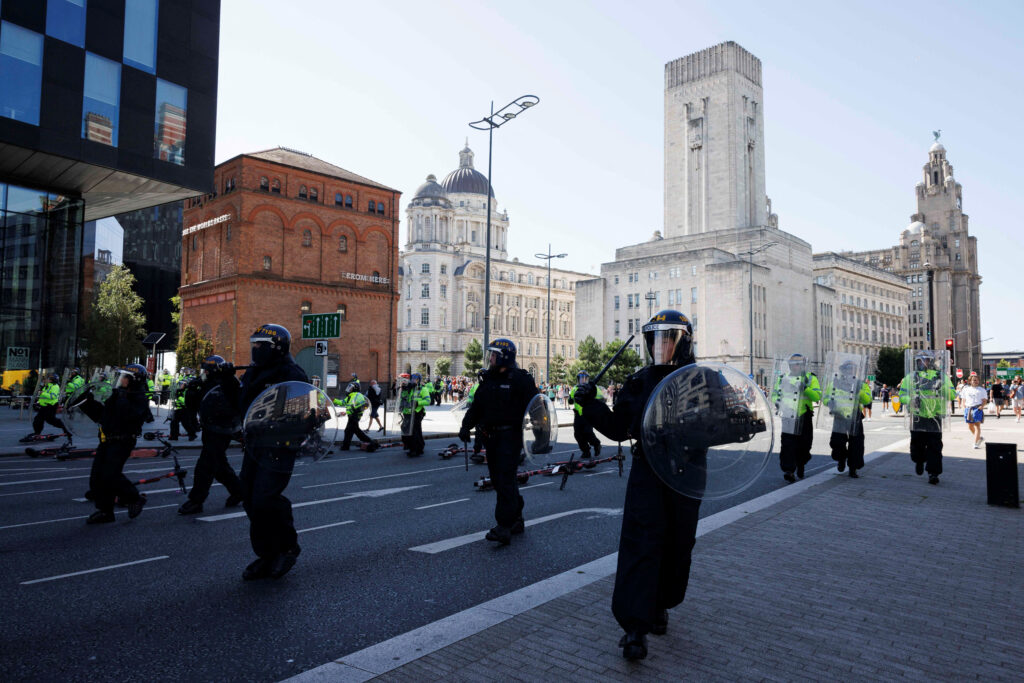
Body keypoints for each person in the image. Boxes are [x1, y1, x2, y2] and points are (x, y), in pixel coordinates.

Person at [574, 310, 701, 661]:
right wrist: (591, 404)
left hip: (685, 473)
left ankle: (662, 603)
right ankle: (634, 627)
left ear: (684, 341)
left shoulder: (702, 379)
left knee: (678, 543)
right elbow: (618, 429)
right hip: (648, 471)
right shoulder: (639, 381)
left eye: (668, 338)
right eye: (655, 338)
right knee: (641, 543)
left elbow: (720, 424)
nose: (660, 345)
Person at [237, 324, 309, 581]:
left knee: (265, 498)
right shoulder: (254, 372)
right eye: (253, 344)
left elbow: (307, 413)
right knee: (248, 496)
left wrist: (277, 425)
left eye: (260, 345)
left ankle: (287, 547)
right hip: (255, 445)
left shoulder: (291, 374)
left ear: (275, 348)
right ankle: (266, 554)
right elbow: (242, 404)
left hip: (279, 446)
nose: (255, 349)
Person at [459, 339, 539, 546]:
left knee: (504, 479)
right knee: (502, 481)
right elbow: (477, 407)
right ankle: (517, 518)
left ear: (504, 356)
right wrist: (466, 426)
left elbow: (538, 408)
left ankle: (503, 526)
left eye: (493, 355)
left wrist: (541, 437)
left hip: (510, 437)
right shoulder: (489, 380)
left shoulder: (521, 380)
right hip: (490, 437)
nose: (490, 358)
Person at [83, 365, 155, 524]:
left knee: (110, 474)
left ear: (133, 380)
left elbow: (129, 416)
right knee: (97, 476)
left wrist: (122, 398)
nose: (121, 379)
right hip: (107, 439)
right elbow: (103, 416)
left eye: (125, 377)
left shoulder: (139, 397)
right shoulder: (118, 394)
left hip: (123, 440)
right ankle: (105, 511)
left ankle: (134, 498)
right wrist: (86, 403)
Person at [178, 355, 245, 515]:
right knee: (220, 467)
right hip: (210, 429)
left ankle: (196, 501)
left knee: (205, 466)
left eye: (206, 371)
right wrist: (192, 391)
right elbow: (193, 406)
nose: (203, 374)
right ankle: (239, 491)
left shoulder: (227, 384)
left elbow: (234, 399)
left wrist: (229, 377)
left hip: (222, 430)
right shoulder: (206, 384)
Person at [899, 352, 956, 485]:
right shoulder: (911, 377)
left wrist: (943, 387)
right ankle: (919, 461)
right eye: (920, 360)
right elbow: (902, 395)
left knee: (935, 447)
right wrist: (911, 400)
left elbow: (952, 395)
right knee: (917, 446)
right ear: (917, 362)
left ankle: (933, 473)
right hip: (918, 416)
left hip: (935, 417)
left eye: (926, 360)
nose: (923, 363)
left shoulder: (940, 376)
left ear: (931, 361)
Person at [771, 353, 821, 483]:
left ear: (803, 365)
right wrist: (777, 402)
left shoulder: (810, 378)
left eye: (798, 364)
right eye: (793, 365)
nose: (796, 367)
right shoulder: (782, 378)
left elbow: (817, 397)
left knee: (805, 444)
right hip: (788, 415)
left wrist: (806, 389)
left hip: (804, 414)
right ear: (789, 366)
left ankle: (801, 464)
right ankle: (789, 470)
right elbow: (775, 394)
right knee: (787, 444)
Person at [823, 360, 872, 478]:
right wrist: (830, 402)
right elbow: (825, 398)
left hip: (855, 416)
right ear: (843, 370)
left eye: (852, 369)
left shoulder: (860, 384)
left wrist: (858, 392)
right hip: (839, 415)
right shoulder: (835, 382)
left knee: (856, 443)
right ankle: (841, 458)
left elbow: (867, 400)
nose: (850, 371)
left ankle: (853, 468)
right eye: (848, 368)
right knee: (837, 442)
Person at [568, 371, 603, 459]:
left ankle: (596, 444)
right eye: (580, 378)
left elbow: (601, 397)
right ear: (578, 379)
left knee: (588, 432)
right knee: (578, 434)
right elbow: (571, 398)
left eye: (584, 378)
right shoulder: (575, 388)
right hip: (578, 415)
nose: (582, 380)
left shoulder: (591, 388)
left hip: (588, 414)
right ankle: (586, 451)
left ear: (587, 379)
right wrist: (570, 399)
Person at [336, 382, 378, 451]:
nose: (349, 389)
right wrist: (333, 400)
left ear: (355, 389)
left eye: (351, 388)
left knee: (350, 430)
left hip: (355, 416)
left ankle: (346, 446)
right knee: (353, 431)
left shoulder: (358, 395)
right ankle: (369, 442)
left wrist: (355, 411)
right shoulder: (350, 396)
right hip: (351, 416)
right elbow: (342, 403)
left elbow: (364, 405)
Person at [32, 373, 72, 440]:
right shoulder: (46, 386)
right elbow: (43, 397)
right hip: (44, 406)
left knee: (51, 420)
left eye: (48, 379)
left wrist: (42, 393)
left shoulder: (55, 387)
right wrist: (38, 402)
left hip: (50, 406)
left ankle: (66, 429)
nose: (46, 380)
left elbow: (52, 396)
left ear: (52, 380)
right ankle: (37, 433)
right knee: (38, 420)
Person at [399, 373, 431, 456]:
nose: (413, 380)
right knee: (407, 429)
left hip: (417, 412)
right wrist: (403, 389)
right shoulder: (409, 388)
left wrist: (418, 402)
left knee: (414, 431)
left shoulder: (423, 389)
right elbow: (404, 399)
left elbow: (428, 401)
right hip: (408, 413)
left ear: (419, 380)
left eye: (415, 379)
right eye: (412, 379)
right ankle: (418, 446)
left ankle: (414, 450)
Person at [960, 373, 988, 449]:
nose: (976, 381)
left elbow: (985, 400)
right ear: (970, 381)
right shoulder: (966, 389)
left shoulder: (982, 390)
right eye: (974, 380)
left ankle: (975, 443)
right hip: (968, 408)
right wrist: (963, 407)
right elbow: (963, 399)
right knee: (970, 426)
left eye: (977, 380)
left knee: (977, 425)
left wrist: (982, 406)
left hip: (977, 408)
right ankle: (979, 438)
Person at [168, 375, 199, 441]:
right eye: (179, 384)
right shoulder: (179, 391)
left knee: (186, 423)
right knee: (173, 422)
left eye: (181, 384)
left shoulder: (187, 392)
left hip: (185, 410)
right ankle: (174, 436)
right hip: (178, 409)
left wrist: (178, 397)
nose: (180, 385)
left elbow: (185, 401)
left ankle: (192, 434)